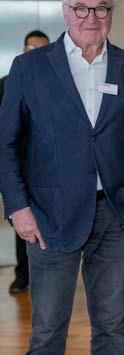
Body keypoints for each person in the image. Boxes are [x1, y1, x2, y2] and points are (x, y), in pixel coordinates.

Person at [0, 0, 124, 354]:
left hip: (114, 214)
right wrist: (18, 207)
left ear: (111, 12)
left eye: (102, 8)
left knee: (111, 329)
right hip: (50, 215)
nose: (92, 17)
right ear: (66, 12)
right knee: (48, 331)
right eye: (81, 8)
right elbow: (5, 143)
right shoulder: (29, 67)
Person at [2, 30, 50, 295]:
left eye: (42, 48)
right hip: (16, 166)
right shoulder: (6, 83)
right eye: (32, 48)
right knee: (22, 219)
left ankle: (43, 277)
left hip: (45, 167)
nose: (37, 53)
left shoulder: (55, 83)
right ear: (23, 49)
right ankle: (22, 275)